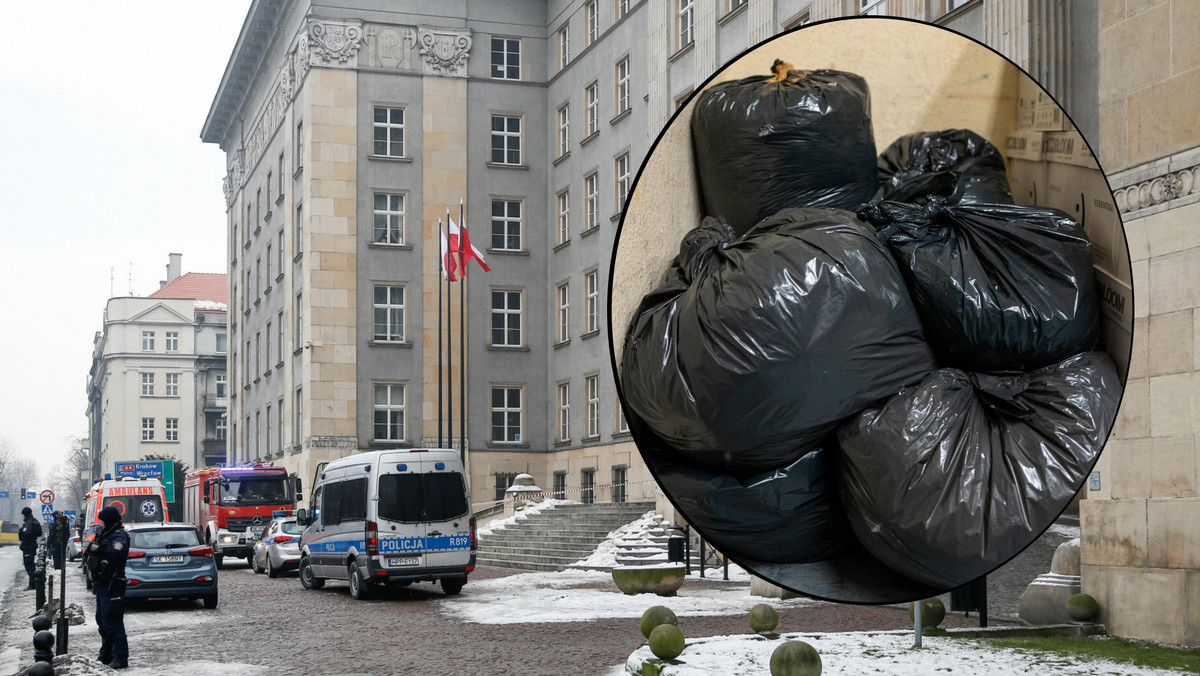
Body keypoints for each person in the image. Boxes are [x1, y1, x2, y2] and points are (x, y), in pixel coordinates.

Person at [85, 506, 130, 669]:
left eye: (102, 520)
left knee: (113, 621)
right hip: (102, 583)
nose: (100, 523)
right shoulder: (105, 533)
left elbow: (116, 553)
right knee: (102, 621)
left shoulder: (119, 535)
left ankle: (120, 657)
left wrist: (101, 544)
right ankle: (106, 654)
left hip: (113, 583)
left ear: (108, 520)